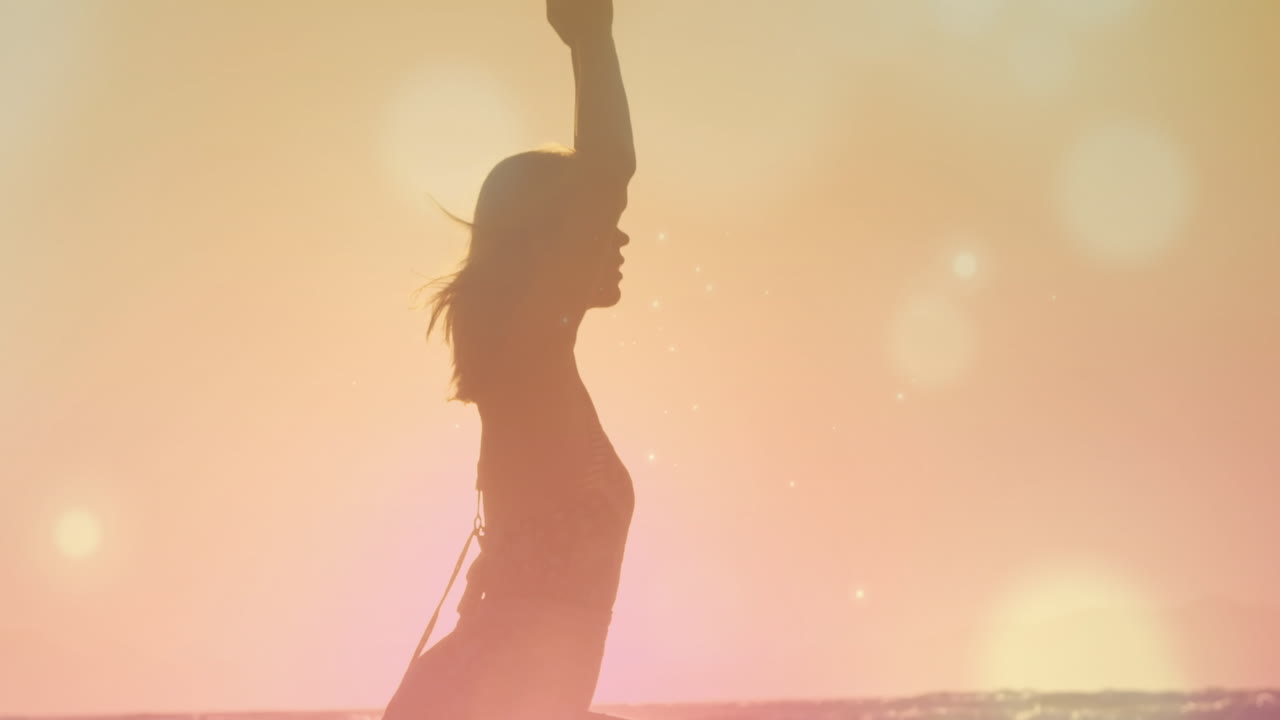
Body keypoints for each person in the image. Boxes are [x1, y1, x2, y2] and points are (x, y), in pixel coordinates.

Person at [381, 0, 636, 717]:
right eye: (597, 228)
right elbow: (608, 167)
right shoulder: (528, 369)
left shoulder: (539, 372)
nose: (617, 241)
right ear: (547, 246)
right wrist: (591, 36)